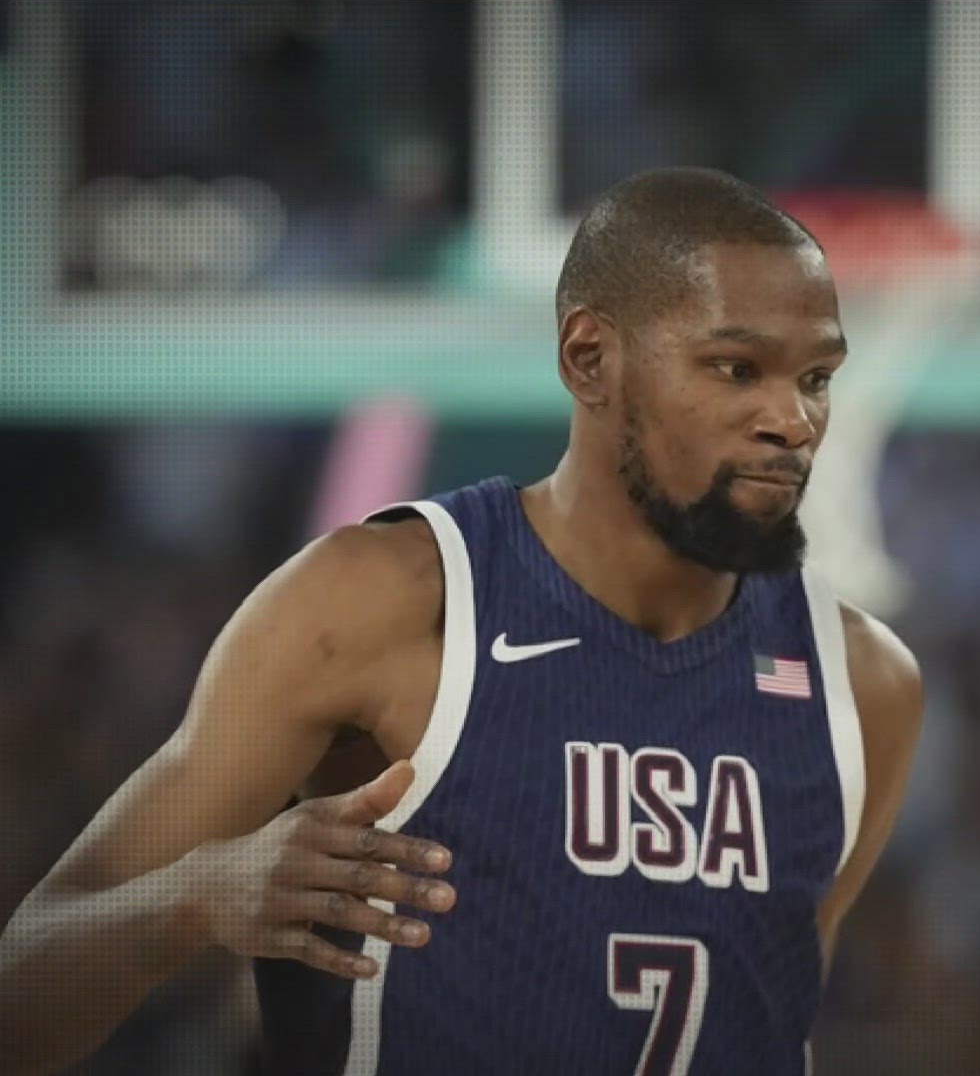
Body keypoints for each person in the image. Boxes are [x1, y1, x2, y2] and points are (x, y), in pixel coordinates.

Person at [0, 168, 924, 1075]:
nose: (793, 420)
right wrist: (195, 898)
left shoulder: (866, 688)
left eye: (815, 377)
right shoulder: (381, 603)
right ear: (589, 359)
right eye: (736, 368)